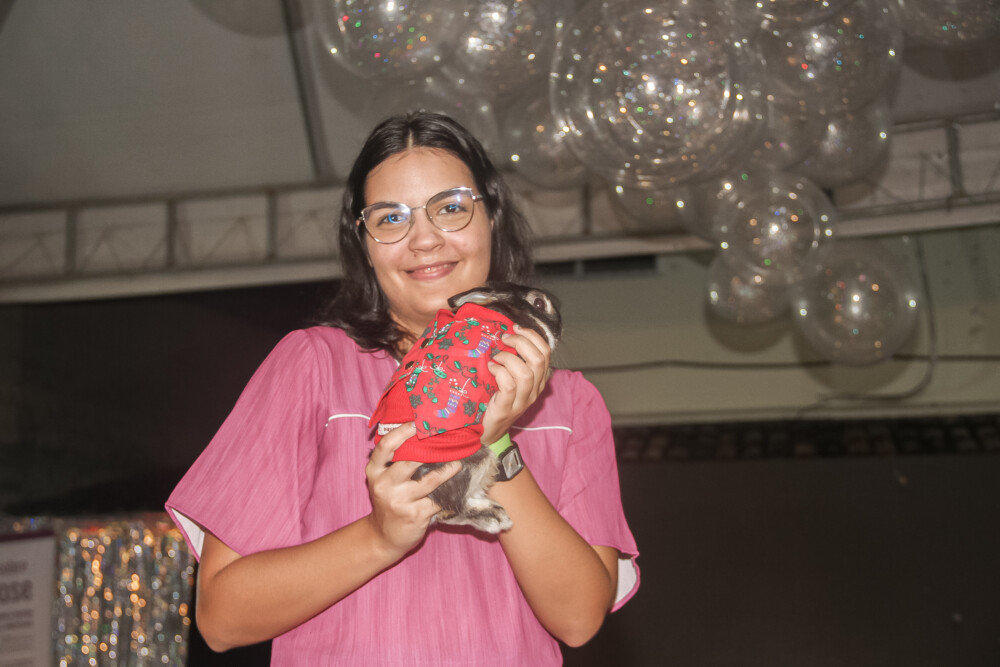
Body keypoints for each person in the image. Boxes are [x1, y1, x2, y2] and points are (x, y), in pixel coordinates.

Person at [166, 111, 639, 666]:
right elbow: (221, 618)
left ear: (492, 217)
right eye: (391, 218)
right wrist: (379, 537)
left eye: (451, 208)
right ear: (364, 244)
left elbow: (579, 619)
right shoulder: (315, 366)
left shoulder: (569, 404)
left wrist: (494, 444)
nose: (424, 239)